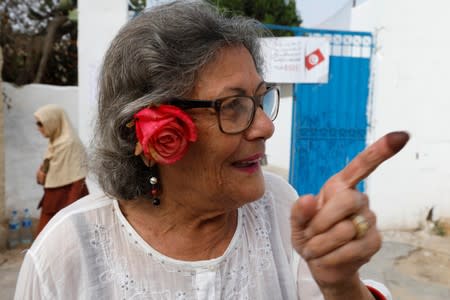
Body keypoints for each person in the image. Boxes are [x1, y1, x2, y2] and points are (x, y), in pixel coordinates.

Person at [15, 1, 409, 299]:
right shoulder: (67, 253)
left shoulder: (278, 207)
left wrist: (341, 285)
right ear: (153, 134)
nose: (266, 126)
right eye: (232, 105)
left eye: (259, 98)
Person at [34, 104, 89, 235]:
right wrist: (41, 174)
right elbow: (50, 175)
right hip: (52, 199)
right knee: (44, 241)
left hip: (69, 199)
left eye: (40, 123)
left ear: (53, 121)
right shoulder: (54, 143)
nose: (38, 128)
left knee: (71, 240)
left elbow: (78, 178)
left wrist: (69, 210)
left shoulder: (70, 143)